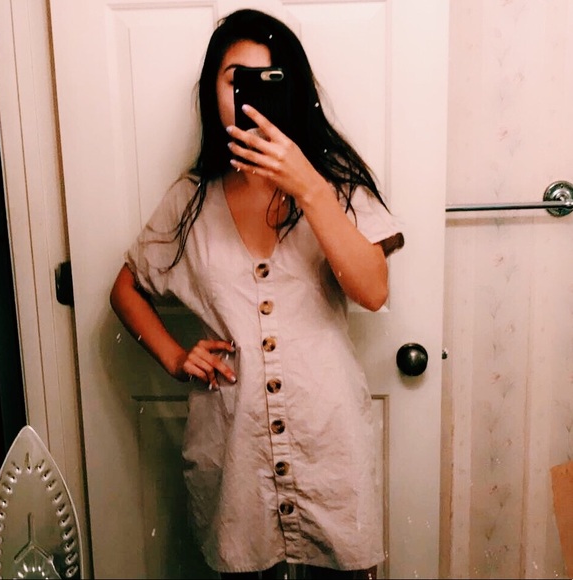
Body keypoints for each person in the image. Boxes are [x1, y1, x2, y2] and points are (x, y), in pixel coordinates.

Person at [110, 8, 404, 580]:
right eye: (234, 78)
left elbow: (372, 291)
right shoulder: (190, 200)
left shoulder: (335, 185)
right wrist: (174, 356)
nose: (249, 94)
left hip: (329, 448)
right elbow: (126, 289)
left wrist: (308, 187)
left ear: (292, 90)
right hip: (235, 456)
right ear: (211, 91)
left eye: (268, 79)